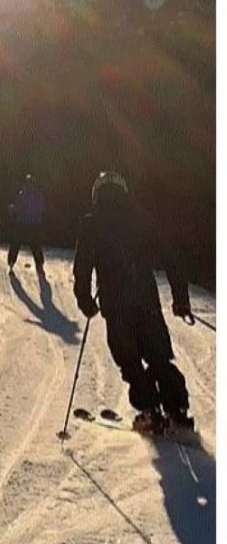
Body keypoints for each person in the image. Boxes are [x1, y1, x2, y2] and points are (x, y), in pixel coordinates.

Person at [73, 171, 194, 434]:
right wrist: (180, 298)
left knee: (129, 359)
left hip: (116, 306)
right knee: (159, 356)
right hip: (147, 301)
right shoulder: (140, 221)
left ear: (97, 194)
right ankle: (178, 412)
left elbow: (82, 267)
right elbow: (170, 256)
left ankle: (150, 411)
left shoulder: (92, 223)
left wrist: (84, 299)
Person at [8, 174, 46, 274]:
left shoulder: (22, 194)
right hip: (34, 224)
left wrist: (12, 209)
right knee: (35, 245)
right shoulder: (39, 196)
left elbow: (18, 208)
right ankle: (40, 265)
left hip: (22, 223)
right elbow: (42, 209)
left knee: (16, 243)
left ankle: (11, 262)